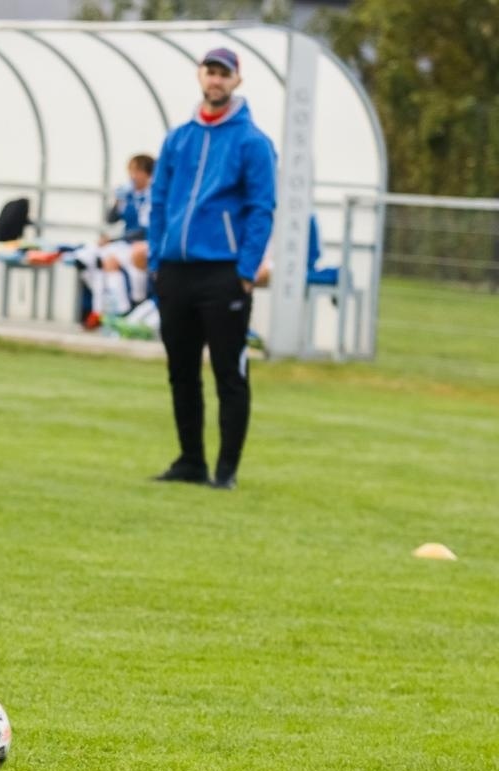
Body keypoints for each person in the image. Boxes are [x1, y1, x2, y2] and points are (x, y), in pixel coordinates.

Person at [148, 47, 276, 491]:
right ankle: (190, 460)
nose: (216, 80)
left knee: (229, 372)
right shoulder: (178, 138)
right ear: (200, 77)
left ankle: (226, 470)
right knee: (181, 370)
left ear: (237, 81)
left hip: (224, 273)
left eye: (224, 74)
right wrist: (156, 259)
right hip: (176, 271)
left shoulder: (252, 143)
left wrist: (245, 269)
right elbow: (159, 201)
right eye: (210, 72)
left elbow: (262, 209)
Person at [79, 154, 154, 326]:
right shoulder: (128, 195)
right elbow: (111, 219)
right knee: (99, 261)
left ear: (146, 173)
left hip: (143, 243)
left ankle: (135, 302)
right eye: (131, 171)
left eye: (136, 171)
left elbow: (143, 230)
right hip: (126, 242)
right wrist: (118, 201)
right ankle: (105, 311)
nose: (132, 176)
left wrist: (112, 240)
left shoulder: (152, 196)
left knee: (127, 256)